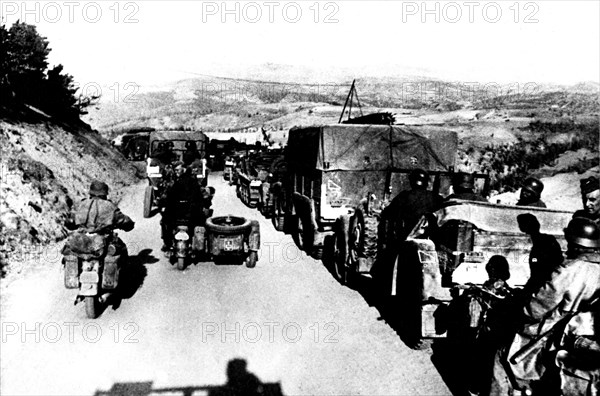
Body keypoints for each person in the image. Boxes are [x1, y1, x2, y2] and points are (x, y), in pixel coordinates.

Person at [489, 217, 600, 396]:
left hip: (552, 334)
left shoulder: (569, 270)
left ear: (576, 244)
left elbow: (536, 308)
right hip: (586, 334)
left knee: (502, 355)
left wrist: (519, 310)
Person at [64, 180, 134, 256]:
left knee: (68, 249)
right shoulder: (109, 206)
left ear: (90, 193)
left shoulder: (81, 204)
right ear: (105, 193)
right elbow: (126, 222)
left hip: (82, 239)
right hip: (102, 243)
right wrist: (128, 225)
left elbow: (70, 222)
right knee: (121, 247)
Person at [384, 168, 444, 242]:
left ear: (411, 181)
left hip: (407, 239)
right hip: (431, 240)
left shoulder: (404, 196)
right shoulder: (437, 198)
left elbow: (387, 213)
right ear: (426, 182)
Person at [160, 162, 206, 253]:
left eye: (178, 169)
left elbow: (169, 196)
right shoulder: (193, 180)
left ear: (184, 169)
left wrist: (163, 203)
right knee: (201, 221)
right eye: (175, 170)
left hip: (179, 213)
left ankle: (167, 243)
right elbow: (200, 196)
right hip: (191, 213)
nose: (176, 171)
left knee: (164, 222)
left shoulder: (176, 182)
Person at [516, 213, 564, 295]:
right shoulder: (549, 239)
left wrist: (525, 292)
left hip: (547, 289)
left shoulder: (540, 244)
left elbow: (538, 275)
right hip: (554, 284)